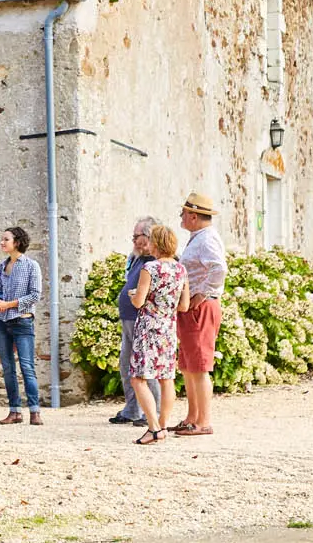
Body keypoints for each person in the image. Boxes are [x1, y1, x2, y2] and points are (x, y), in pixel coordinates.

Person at [172, 191, 227, 437]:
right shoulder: (200, 238)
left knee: (199, 366)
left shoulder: (206, 240)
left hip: (200, 308)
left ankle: (203, 421)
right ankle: (192, 417)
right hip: (192, 308)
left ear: (193, 216)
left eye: (183, 213)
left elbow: (219, 269)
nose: (181, 217)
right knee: (188, 365)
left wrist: (202, 293)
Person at [128, 223, 189, 445]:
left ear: (156, 244)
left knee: (138, 378)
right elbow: (184, 306)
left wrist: (134, 295)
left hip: (148, 328)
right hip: (168, 329)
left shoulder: (150, 268)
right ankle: (162, 425)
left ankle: (153, 428)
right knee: (166, 378)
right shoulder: (181, 269)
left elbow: (139, 302)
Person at [109, 217, 163, 427]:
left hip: (144, 320)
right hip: (129, 319)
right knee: (126, 365)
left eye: (136, 236)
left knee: (147, 366)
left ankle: (152, 413)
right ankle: (132, 410)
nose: (133, 240)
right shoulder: (137, 258)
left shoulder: (156, 261)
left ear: (148, 236)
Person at [0, 225, 43, 425]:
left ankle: (35, 412)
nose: (2, 242)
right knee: (7, 368)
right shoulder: (1, 266)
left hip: (22, 321)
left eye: (6, 239)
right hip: (1, 322)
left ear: (17, 242)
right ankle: (15, 412)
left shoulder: (31, 266)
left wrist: (9, 304)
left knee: (27, 367)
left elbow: (35, 295)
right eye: (2, 239)